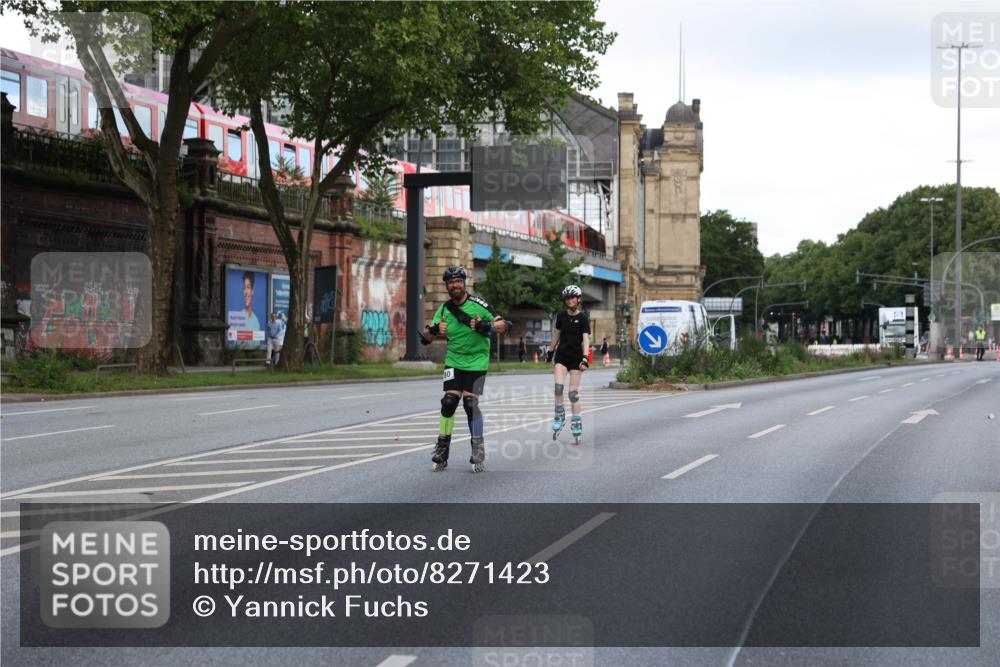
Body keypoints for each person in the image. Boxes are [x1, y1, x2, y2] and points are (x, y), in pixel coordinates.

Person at [421, 265, 509, 472]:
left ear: (464, 283)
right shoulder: (444, 309)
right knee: (449, 402)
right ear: (447, 286)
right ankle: (442, 448)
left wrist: (485, 326)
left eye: (458, 281)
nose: (455, 285)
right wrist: (433, 330)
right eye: (451, 282)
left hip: (477, 361)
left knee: (470, 404)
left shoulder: (479, 304)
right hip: (454, 360)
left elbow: (504, 325)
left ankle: (477, 447)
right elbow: (425, 339)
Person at [546, 285, 590, 442]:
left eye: (573, 297)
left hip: (577, 359)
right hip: (562, 357)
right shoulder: (561, 316)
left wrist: (585, 357)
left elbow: (585, 340)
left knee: (573, 394)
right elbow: (556, 335)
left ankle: (576, 421)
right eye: (567, 298)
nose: (570, 300)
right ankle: (559, 416)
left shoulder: (583, 319)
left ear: (578, 299)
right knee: (558, 388)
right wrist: (550, 351)